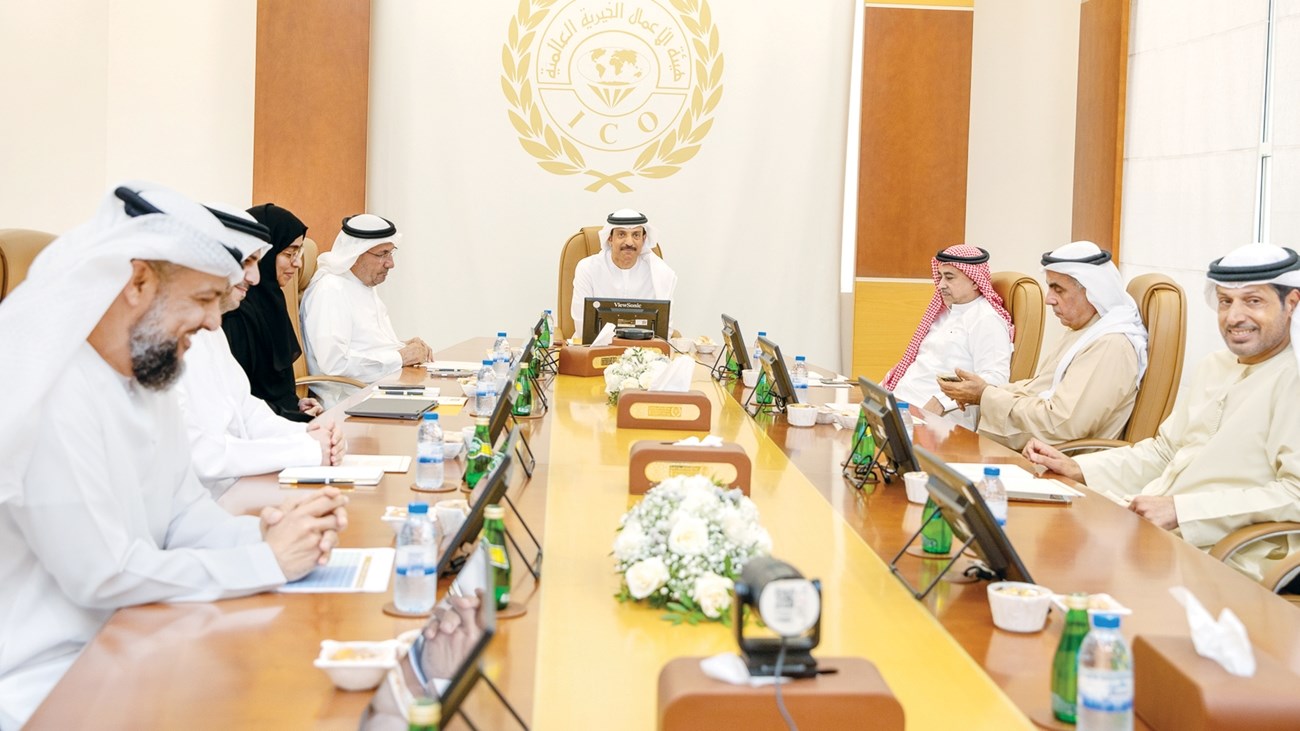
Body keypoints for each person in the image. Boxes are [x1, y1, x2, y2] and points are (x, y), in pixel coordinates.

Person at [0, 183, 349, 728]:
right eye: (204, 299)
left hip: (142, 635)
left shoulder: (147, 375)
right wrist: (266, 561)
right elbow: (105, 574)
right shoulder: (52, 390)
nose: (214, 323)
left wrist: (267, 532)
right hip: (53, 683)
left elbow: (184, 514)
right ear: (138, 282)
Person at [1024, 244, 1300, 582]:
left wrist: (1182, 511)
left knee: (1064, 571)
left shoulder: (1293, 378)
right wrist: (1080, 468)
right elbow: (1164, 452)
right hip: (1154, 529)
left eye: (1253, 301)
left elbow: (1294, 493)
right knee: (1035, 544)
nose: (1234, 317)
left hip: (1228, 557)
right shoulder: (1215, 366)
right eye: (1226, 301)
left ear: (1292, 303)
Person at [177, 204, 346, 498]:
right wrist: (303, 448)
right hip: (212, 499)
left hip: (241, 487)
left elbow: (247, 409)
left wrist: (306, 433)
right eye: (246, 262)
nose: (255, 278)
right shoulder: (162, 340)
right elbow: (201, 455)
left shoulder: (211, 329)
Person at [939, 241, 1148, 450]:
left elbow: (1061, 423)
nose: (1049, 300)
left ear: (1092, 291)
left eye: (1059, 290)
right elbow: (1037, 388)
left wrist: (985, 396)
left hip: (1063, 460)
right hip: (1039, 451)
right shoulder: (1083, 331)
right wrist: (983, 392)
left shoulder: (1111, 345)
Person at [300, 213, 432, 407]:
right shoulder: (331, 289)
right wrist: (400, 357)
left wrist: (402, 346)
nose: (390, 263)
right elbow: (335, 364)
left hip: (380, 391)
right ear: (355, 254)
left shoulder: (361, 284)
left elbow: (363, 346)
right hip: (350, 402)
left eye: (391, 253)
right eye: (382, 254)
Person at [883, 244, 1014, 430]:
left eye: (949, 277)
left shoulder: (986, 319)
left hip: (938, 421)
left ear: (975, 281)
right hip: (903, 406)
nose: (941, 284)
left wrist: (942, 401)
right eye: (940, 276)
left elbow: (996, 380)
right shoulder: (944, 313)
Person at [224, 202, 322, 422]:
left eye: (299, 253)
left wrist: (296, 405)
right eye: (289, 253)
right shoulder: (234, 314)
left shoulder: (271, 302)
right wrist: (292, 417)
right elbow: (241, 402)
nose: (298, 263)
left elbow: (274, 389)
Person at [570, 209, 678, 340]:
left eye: (636, 235)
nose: (629, 242)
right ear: (610, 238)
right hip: (594, 348)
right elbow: (583, 327)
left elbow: (665, 331)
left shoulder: (662, 273)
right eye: (621, 234)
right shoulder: (588, 269)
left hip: (645, 349)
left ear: (644, 239)